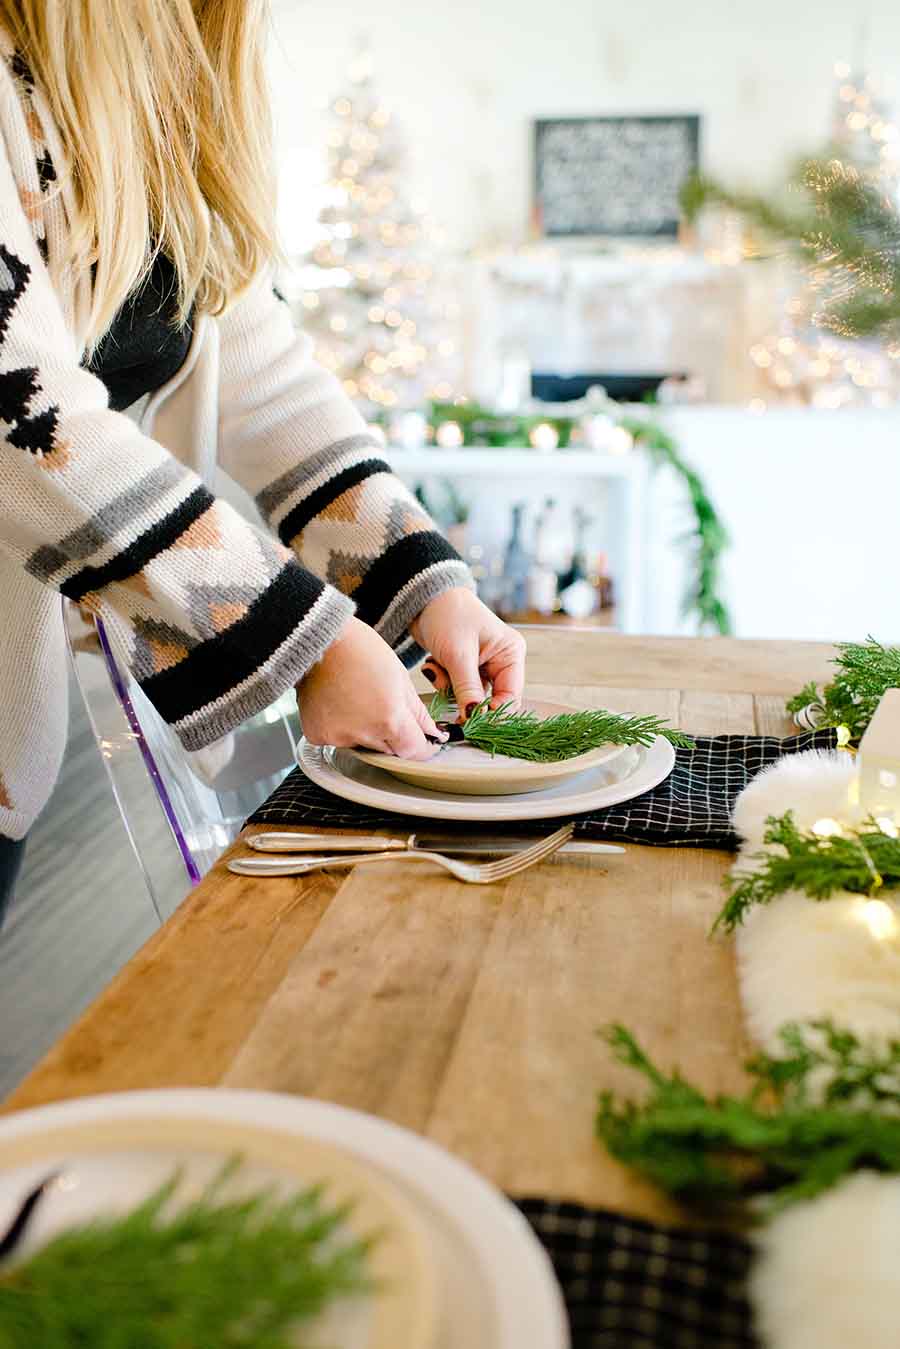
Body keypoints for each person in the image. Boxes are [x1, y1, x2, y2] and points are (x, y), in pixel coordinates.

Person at [0, 0, 525, 924]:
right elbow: (21, 410)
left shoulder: (162, 73)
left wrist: (419, 582)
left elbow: (263, 371)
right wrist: (308, 645)